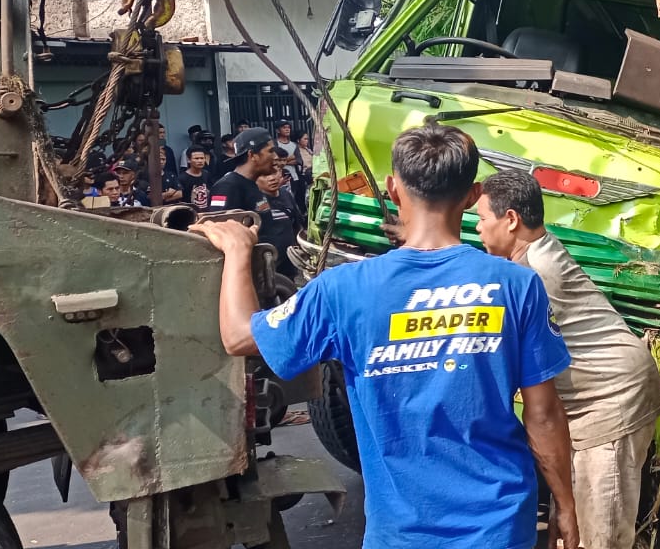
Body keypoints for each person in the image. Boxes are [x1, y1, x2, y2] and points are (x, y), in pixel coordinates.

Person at [188, 124, 580, 549]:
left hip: (401, 533)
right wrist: (566, 504)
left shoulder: (343, 288)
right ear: (472, 196)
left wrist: (238, 252)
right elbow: (543, 415)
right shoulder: (516, 285)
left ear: (394, 190)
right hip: (499, 526)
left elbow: (239, 336)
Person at [476, 169, 660, 549]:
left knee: (600, 533)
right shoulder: (532, 255)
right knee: (574, 524)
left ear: (511, 220)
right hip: (600, 392)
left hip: (613, 398)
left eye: (481, 219)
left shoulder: (535, 274)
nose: (478, 229)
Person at [207, 128, 298, 279]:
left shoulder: (252, 185)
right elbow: (222, 236)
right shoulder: (227, 187)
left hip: (271, 273)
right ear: (252, 155)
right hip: (249, 277)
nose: (275, 156)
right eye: (270, 151)